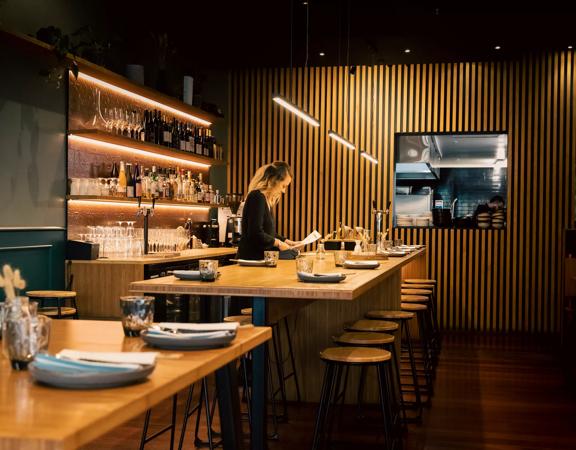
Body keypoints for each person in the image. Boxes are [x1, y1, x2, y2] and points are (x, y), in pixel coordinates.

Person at [237, 161, 301, 260]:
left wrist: (288, 242)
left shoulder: (266, 200)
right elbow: (255, 233)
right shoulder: (256, 196)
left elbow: (268, 233)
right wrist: (279, 244)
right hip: (252, 259)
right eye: (283, 186)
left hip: (261, 259)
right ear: (272, 180)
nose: (284, 191)